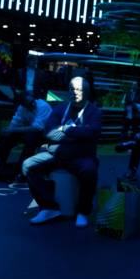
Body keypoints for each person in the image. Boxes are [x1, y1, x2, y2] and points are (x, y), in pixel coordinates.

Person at [22, 76, 102, 228]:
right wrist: (76, 134)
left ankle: (83, 211)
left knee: (89, 171)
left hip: (81, 156)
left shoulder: (94, 112)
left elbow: (91, 133)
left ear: (87, 92)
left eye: (79, 89)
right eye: (72, 89)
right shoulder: (60, 108)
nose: (74, 92)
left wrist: (65, 129)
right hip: (57, 154)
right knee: (28, 165)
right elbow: (49, 132)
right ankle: (49, 207)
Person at [0, 92, 52, 181]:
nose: (32, 104)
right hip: (31, 131)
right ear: (23, 104)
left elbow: (37, 128)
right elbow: (16, 122)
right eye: (29, 104)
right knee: (9, 137)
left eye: (32, 102)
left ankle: (21, 169)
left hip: (45, 133)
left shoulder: (43, 106)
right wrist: (8, 131)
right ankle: (0, 166)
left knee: (31, 137)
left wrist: (12, 130)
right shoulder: (22, 108)